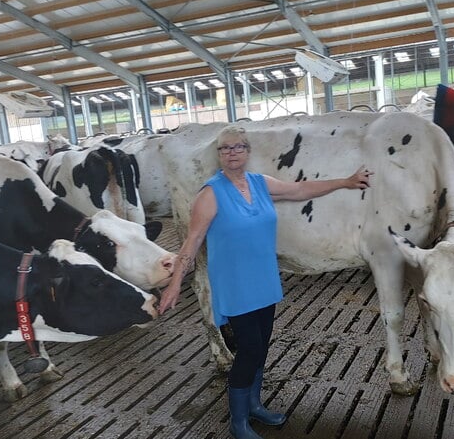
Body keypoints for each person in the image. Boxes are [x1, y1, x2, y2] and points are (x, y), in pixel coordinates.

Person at [158, 125, 372, 439]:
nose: (232, 153)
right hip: (235, 285)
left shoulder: (259, 183)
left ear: (247, 151)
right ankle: (238, 421)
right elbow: (192, 242)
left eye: (238, 147)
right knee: (249, 350)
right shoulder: (210, 194)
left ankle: (255, 406)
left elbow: (301, 190)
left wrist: (346, 182)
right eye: (226, 148)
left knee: (260, 349)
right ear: (219, 155)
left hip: (263, 281)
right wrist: (175, 283)